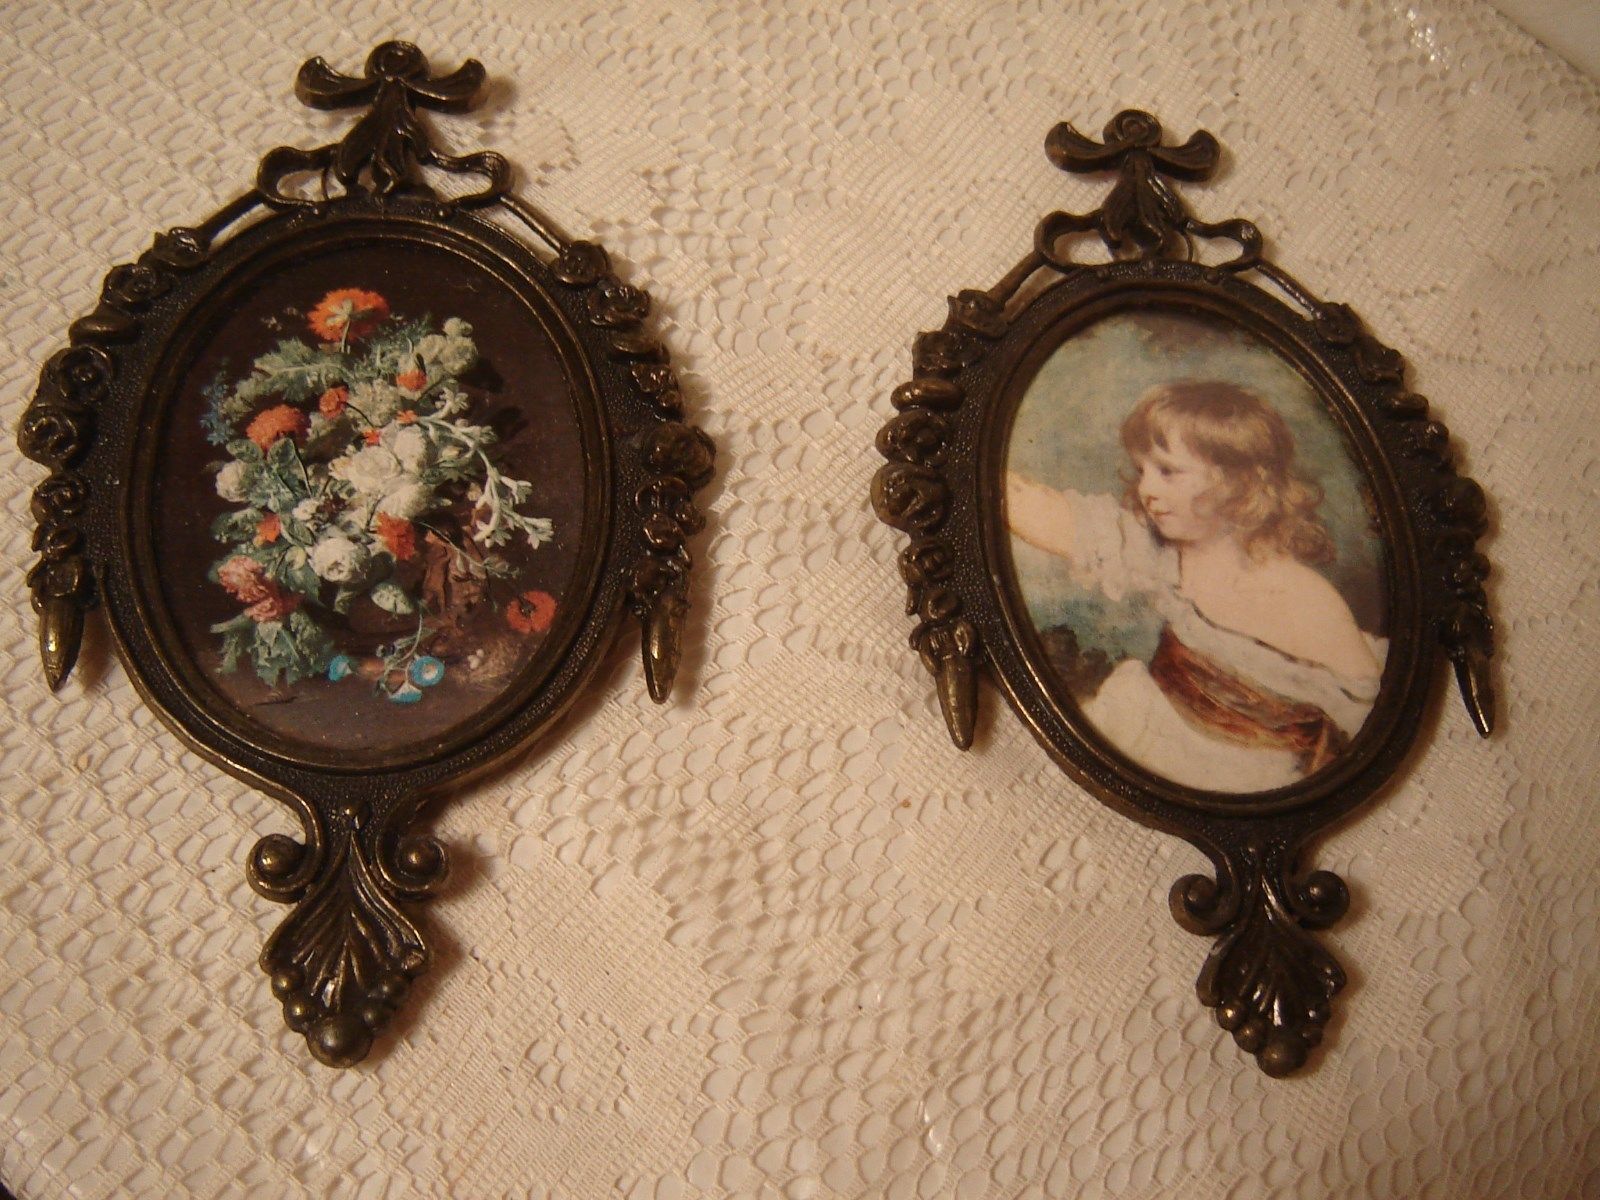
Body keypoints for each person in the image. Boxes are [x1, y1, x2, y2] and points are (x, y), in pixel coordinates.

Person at [1006, 380, 1384, 793]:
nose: (1147, 489)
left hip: (1250, 775)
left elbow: (1363, 723)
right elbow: (1058, 520)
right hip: (1159, 728)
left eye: (1167, 471)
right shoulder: (1166, 553)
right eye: (1142, 471)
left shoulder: (1305, 600)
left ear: (1238, 481)